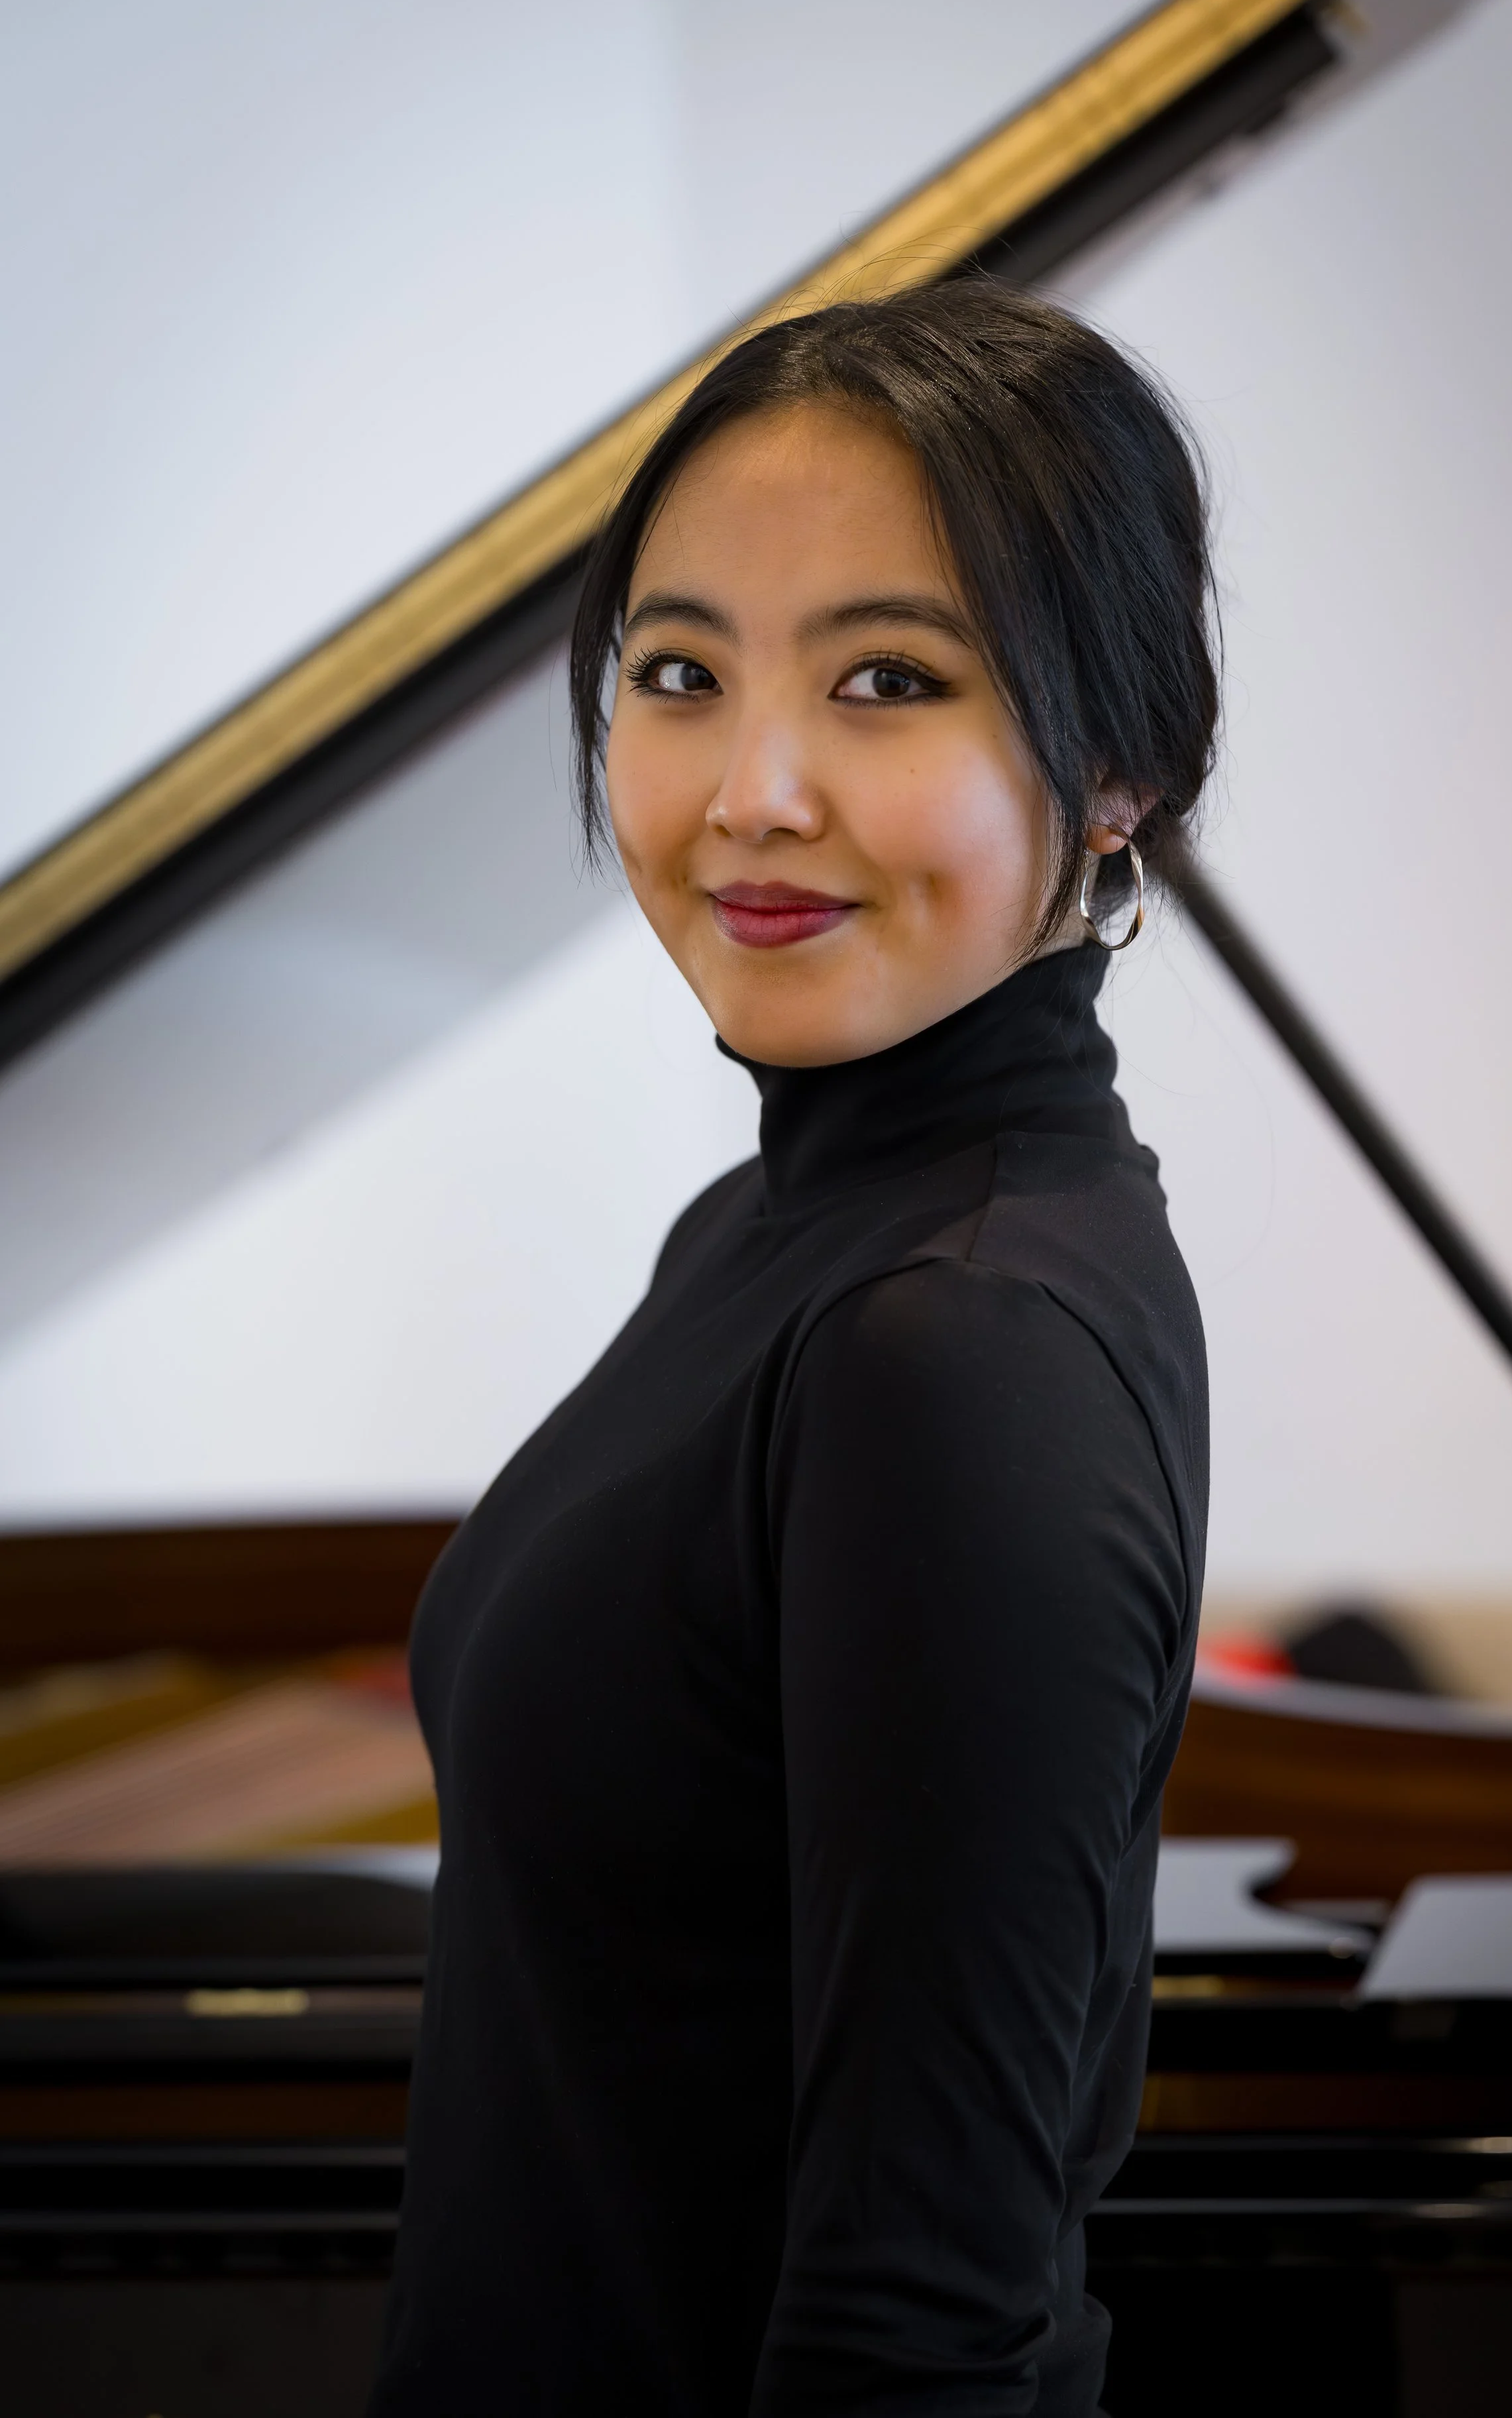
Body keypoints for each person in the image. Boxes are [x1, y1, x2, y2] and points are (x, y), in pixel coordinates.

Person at [370, 280, 1214, 2417]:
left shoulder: (953, 1338)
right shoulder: (783, 1230)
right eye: (677, 672)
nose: (748, 790)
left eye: (886, 679)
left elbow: (917, 2327)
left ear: (1114, 763)